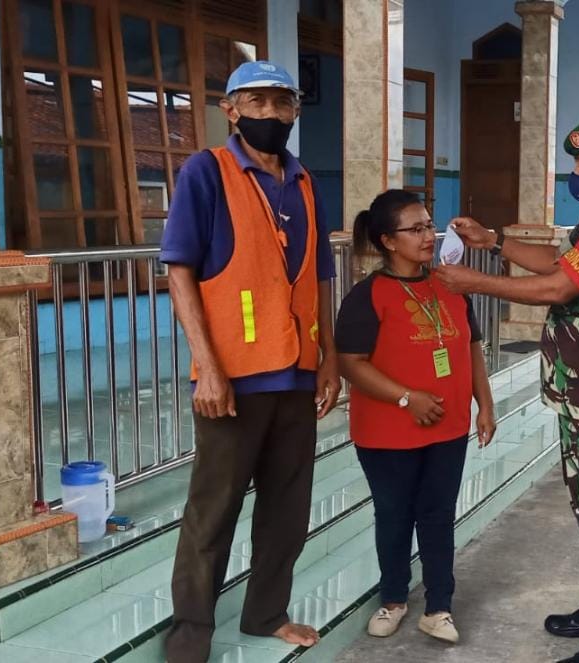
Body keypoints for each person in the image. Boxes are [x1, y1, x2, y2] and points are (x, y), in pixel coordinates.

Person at [435, 114, 579, 663]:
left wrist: (474, 281)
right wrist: (493, 244)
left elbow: (560, 286)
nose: (575, 174)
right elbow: (565, 263)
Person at [159, 61, 339, 662]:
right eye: (256, 102)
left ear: (294, 112)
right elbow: (178, 269)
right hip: (233, 376)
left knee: (287, 507)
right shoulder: (206, 172)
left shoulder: (305, 181)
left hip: (297, 373)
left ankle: (266, 614)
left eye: (282, 103)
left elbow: (320, 277)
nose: (270, 114)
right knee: (214, 508)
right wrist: (206, 367)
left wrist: (330, 360)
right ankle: (190, 632)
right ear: (231, 109)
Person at [334, 189, 497, 644]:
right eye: (416, 228)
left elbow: (470, 346)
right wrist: (408, 398)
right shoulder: (367, 296)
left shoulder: (452, 285)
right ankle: (393, 598)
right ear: (388, 240)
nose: (429, 235)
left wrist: (484, 403)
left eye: (430, 225)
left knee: (439, 514)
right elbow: (351, 362)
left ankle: (439, 606)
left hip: (447, 428)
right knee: (393, 514)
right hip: (387, 432)